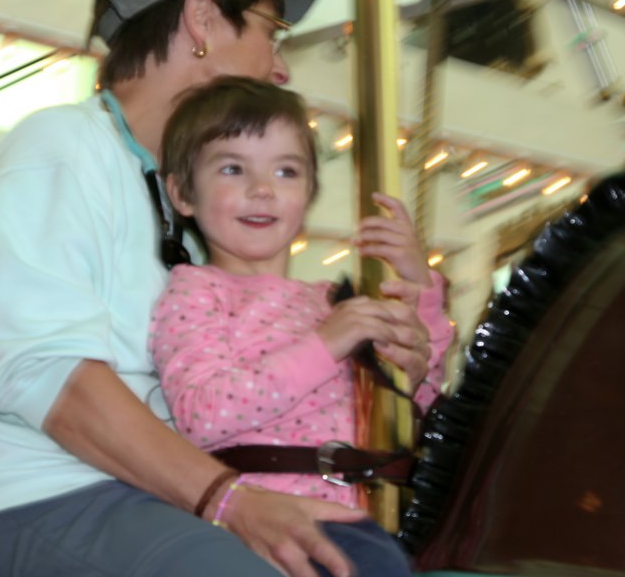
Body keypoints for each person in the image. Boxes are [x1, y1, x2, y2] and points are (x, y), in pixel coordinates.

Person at [0, 0, 436, 575]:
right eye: (270, 32)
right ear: (203, 19)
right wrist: (226, 498)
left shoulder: (192, 216)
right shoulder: (62, 147)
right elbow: (48, 377)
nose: (280, 69)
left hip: (153, 487)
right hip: (36, 484)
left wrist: (396, 358)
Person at [149, 77, 453, 514]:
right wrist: (325, 345)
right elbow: (202, 415)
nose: (262, 188)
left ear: (308, 194)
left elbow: (414, 403)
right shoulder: (197, 292)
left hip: (365, 512)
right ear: (182, 193)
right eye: (233, 169)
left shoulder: (333, 300)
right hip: (271, 515)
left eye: (286, 171)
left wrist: (419, 290)